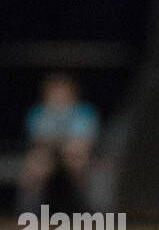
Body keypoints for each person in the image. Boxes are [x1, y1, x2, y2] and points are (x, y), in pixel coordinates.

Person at [17, 73, 99, 214]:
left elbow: (86, 140)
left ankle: (90, 212)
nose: (59, 95)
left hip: (75, 153)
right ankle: (26, 213)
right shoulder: (39, 112)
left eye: (63, 91)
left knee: (78, 160)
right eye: (54, 91)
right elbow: (39, 140)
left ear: (73, 93)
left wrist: (66, 145)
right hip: (47, 153)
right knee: (35, 165)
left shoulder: (85, 112)